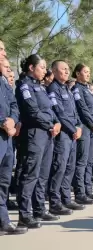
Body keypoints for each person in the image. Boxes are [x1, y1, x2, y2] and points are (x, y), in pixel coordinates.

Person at [47, 60, 84, 215]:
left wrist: (79, 126)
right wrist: (72, 128)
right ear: (54, 71)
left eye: (68, 69)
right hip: (63, 134)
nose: (67, 71)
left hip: (72, 133)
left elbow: (74, 112)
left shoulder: (67, 89)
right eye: (63, 69)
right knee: (59, 167)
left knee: (69, 167)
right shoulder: (53, 89)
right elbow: (59, 112)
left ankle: (66, 198)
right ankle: (55, 203)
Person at [0, 41, 27, 234]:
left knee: (3, 181)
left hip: (6, 137)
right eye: (0, 49)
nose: (4, 52)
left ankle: (3, 221)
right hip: (3, 129)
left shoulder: (3, 81)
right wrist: (3, 120)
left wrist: (12, 119)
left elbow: (13, 104)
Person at [71, 64, 93, 203]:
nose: (88, 74)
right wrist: (92, 123)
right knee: (82, 161)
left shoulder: (87, 89)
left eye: (89, 72)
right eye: (85, 72)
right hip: (85, 127)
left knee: (89, 161)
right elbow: (82, 109)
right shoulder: (77, 89)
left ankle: (88, 190)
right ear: (77, 73)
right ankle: (80, 192)